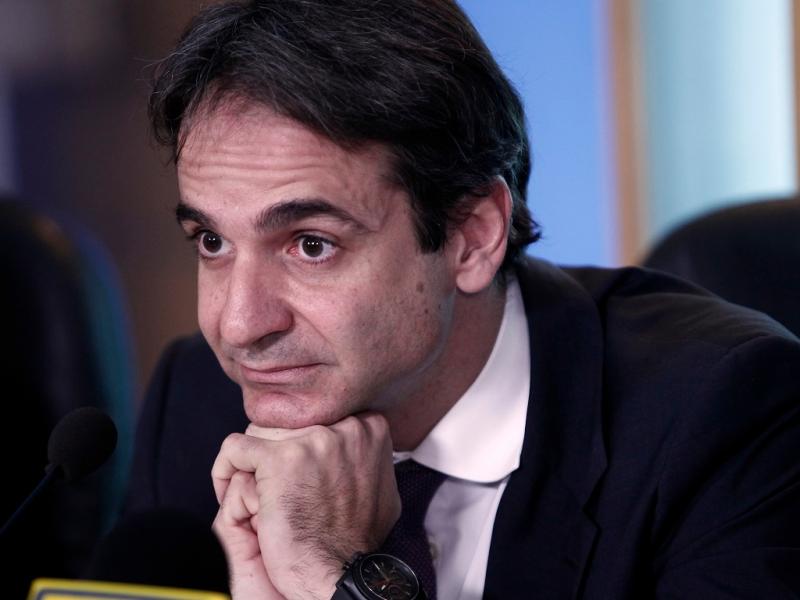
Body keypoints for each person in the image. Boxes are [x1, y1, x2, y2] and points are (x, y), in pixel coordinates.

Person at [126, 1, 800, 598]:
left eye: (311, 245)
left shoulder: (724, 417)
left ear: (472, 238)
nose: (240, 325)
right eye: (212, 241)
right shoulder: (199, 402)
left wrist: (337, 578)